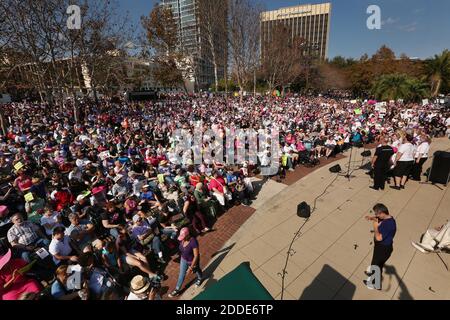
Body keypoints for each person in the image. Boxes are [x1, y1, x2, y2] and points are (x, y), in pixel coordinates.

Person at [364, 204, 397, 290]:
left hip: (383, 249)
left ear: (382, 213)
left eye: (377, 214)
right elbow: (379, 220)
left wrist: (375, 227)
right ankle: (374, 277)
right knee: (377, 265)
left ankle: (376, 284)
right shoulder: (388, 218)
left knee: (376, 265)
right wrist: (372, 218)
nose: (376, 215)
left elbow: (378, 238)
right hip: (381, 248)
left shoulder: (389, 225)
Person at [168, 227, 203, 298]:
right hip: (183, 259)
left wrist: (191, 267)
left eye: (183, 237)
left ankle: (200, 278)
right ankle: (177, 289)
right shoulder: (182, 240)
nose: (182, 239)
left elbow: (196, 256)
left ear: (188, 235)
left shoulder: (193, 241)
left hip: (192, 261)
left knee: (197, 270)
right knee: (181, 274)